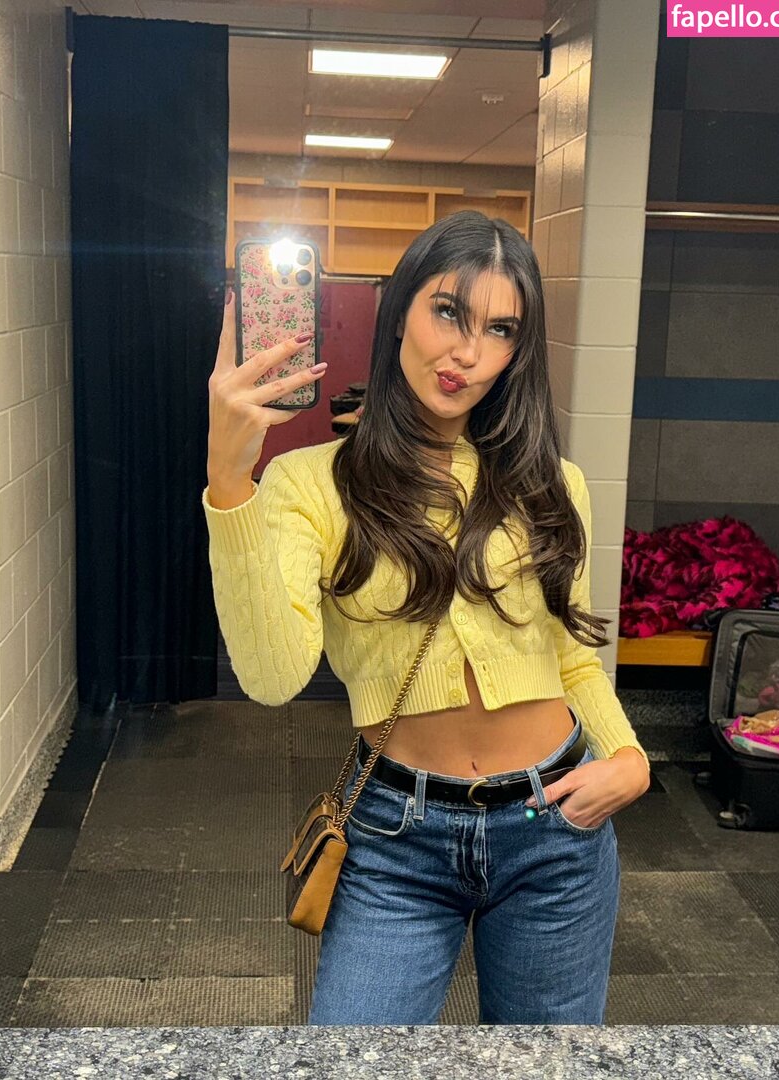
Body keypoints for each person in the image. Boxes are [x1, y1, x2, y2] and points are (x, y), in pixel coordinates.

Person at [203, 210, 651, 1026]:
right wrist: (230, 482)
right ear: (400, 311)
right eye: (448, 311)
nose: (468, 353)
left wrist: (628, 755)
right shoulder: (312, 484)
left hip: (556, 828)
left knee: (544, 1074)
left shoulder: (555, 483)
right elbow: (272, 679)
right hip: (395, 838)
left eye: (500, 329)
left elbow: (572, 660)